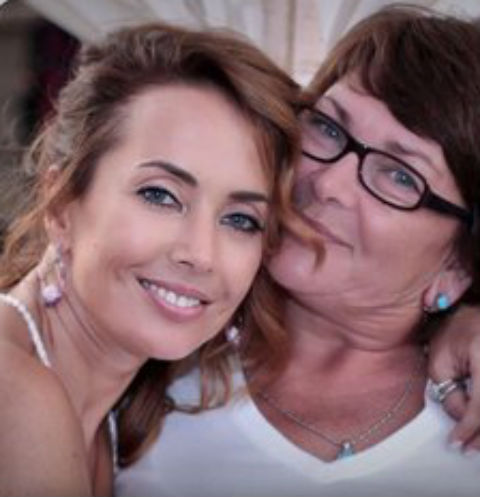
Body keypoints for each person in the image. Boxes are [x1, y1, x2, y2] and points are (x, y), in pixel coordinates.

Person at [116, 6, 480, 497]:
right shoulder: (153, 341)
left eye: (399, 176)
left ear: (458, 263)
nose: (328, 183)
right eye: (327, 128)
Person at [0, 22, 302, 496]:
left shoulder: (109, 422)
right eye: (160, 195)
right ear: (61, 204)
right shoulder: (16, 397)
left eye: (241, 220)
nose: (199, 254)